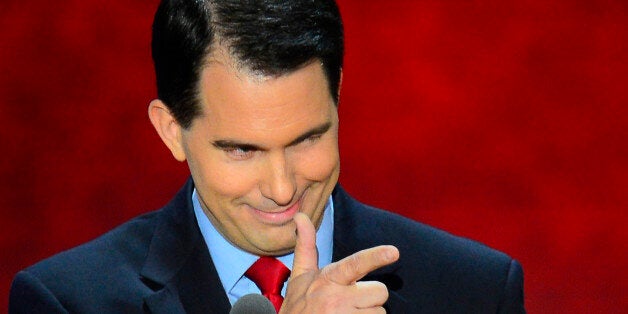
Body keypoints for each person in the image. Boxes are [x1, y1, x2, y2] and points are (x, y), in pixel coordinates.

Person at [9, 0, 525, 313]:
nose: (282, 189)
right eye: (241, 149)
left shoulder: (474, 291)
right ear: (171, 131)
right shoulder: (66, 302)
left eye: (306, 139)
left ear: (338, 98)